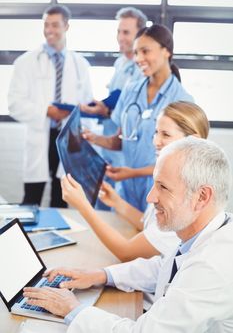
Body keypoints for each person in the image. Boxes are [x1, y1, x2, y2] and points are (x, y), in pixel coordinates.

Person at [24, 136, 233, 332]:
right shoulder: (205, 234)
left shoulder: (213, 265)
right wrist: (100, 275)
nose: (151, 197)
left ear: (202, 197)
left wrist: (73, 309)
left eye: (163, 187)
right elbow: (162, 267)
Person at [61, 102, 209, 262]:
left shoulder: (185, 193)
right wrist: (117, 203)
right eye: (156, 133)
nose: (156, 141)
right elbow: (150, 224)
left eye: (165, 135)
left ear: (193, 140)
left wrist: (83, 207)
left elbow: (127, 252)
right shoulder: (172, 176)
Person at [83, 24, 193, 212]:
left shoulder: (182, 101)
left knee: (148, 238)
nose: (138, 58)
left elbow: (180, 160)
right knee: (120, 237)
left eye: (145, 51)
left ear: (166, 51)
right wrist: (92, 138)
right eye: (135, 53)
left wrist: (132, 173)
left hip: (161, 189)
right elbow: (120, 140)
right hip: (126, 187)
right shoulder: (131, 90)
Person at [8, 5, 93, 207]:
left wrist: (75, 116)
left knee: (61, 200)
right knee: (31, 200)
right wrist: (46, 110)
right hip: (40, 135)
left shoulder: (80, 64)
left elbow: (88, 105)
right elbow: (14, 103)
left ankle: (59, 239)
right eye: (46, 25)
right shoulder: (26, 62)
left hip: (65, 138)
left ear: (67, 26)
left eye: (55, 25)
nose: (49, 30)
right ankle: (24, 238)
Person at [80, 7, 147, 209]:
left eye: (126, 32)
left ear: (140, 35)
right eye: (119, 31)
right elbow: (115, 103)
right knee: (102, 204)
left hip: (125, 154)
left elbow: (133, 112)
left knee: (122, 209)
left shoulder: (142, 68)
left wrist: (105, 110)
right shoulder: (120, 63)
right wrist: (102, 107)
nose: (120, 37)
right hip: (109, 148)